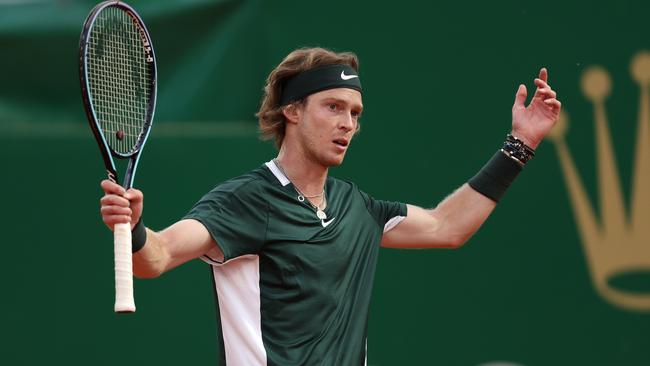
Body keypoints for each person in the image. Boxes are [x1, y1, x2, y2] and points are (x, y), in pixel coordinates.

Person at [99, 47, 561, 365]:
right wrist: (136, 229)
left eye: (355, 114)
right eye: (333, 107)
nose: (347, 124)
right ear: (292, 111)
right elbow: (156, 258)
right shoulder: (245, 200)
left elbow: (447, 226)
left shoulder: (356, 207)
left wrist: (519, 144)